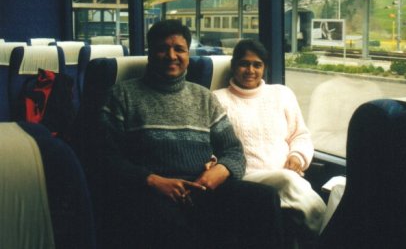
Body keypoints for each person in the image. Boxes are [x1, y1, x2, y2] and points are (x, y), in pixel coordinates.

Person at [92, 20, 283, 249]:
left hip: (203, 189)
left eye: (179, 49)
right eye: (163, 48)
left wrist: (219, 173)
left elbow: (233, 151)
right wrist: (152, 181)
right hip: (150, 192)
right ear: (150, 53)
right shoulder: (122, 95)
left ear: (187, 55)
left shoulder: (204, 97)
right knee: (169, 222)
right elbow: (104, 157)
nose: (171, 56)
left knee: (264, 199)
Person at [214, 39, 326, 246]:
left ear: (264, 68)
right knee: (288, 181)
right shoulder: (217, 99)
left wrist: (297, 156)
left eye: (257, 64)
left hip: (288, 173)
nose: (250, 70)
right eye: (244, 63)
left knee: (292, 184)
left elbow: (300, 134)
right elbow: (211, 145)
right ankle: (328, 234)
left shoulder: (281, 94)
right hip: (246, 177)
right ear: (233, 66)